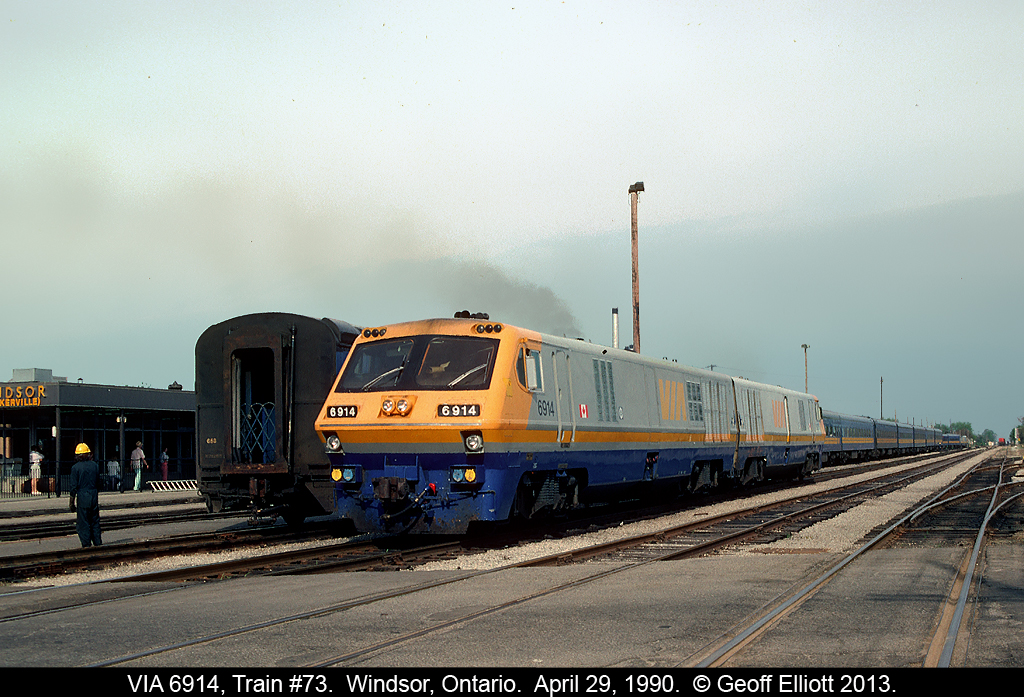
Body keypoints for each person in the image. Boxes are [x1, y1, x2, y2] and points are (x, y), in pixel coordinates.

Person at [69, 443, 101, 547]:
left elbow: (73, 487)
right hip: (93, 495)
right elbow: (98, 482)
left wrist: (71, 503)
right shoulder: (95, 466)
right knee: (95, 521)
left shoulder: (75, 468)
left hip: (82, 496)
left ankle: (86, 544)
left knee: (83, 523)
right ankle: (97, 543)